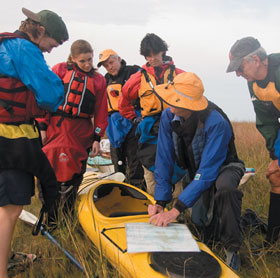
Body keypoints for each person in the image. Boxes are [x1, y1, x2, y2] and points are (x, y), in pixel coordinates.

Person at [148, 72, 245, 271]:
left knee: (224, 188)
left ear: (189, 105)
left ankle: (232, 250)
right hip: (197, 172)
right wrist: (161, 201)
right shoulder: (168, 116)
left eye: (176, 99)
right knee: (202, 227)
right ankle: (213, 229)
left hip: (224, 167)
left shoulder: (216, 122)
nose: (169, 102)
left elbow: (208, 171)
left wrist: (177, 208)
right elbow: (164, 159)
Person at [0, 7, 68, 278]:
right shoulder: (23, 49)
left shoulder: (6, 45)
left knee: (5, 203)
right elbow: (51, 94)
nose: (51, 50)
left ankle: (5, 259)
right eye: (53, 44)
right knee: (12, 207)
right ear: (40, 31)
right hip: (10, 139)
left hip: (9, 135)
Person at [38, 40, 108, 220]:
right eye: (82, 61)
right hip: (56, 127)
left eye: (90, 60)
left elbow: (101, 110)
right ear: (73, 59)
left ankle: (68, 215)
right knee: (49, 168)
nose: (87, 65)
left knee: (75, 173)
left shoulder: (99, 80)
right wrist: (42, 126)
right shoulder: (60, 70)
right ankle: (50, 216)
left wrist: (97, 137)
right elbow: (45, 99)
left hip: (81, 131)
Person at [226, 36, 280, 249]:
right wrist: (276, 156)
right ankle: (273, 242)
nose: (238, 73)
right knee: (275, 174)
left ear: (256, 59)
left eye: (240, 67)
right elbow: (267, 122)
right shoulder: (254, 83)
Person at [119, 33, 184, 195]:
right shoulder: (138, 78)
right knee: (150, 169)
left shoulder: (180, 74)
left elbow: (194, 94)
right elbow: (123, 100)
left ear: (162, 51)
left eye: (155, 54)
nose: (152, 58)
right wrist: (134, 119)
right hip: (150, 129)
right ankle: (156, 208)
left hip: (174, 126)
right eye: (148, 55)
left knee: (178, 167)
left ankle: (179, 212)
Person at [97, 49, 144, 188]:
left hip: (133, 121)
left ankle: (138, 190)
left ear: (119, 59)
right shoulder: (106, 79)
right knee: (117, 158)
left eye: (111, 62)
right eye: (106, 65)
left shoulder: (134, 72)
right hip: (114, 125)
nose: (110, 67)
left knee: (134, 159)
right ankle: (121, 190)